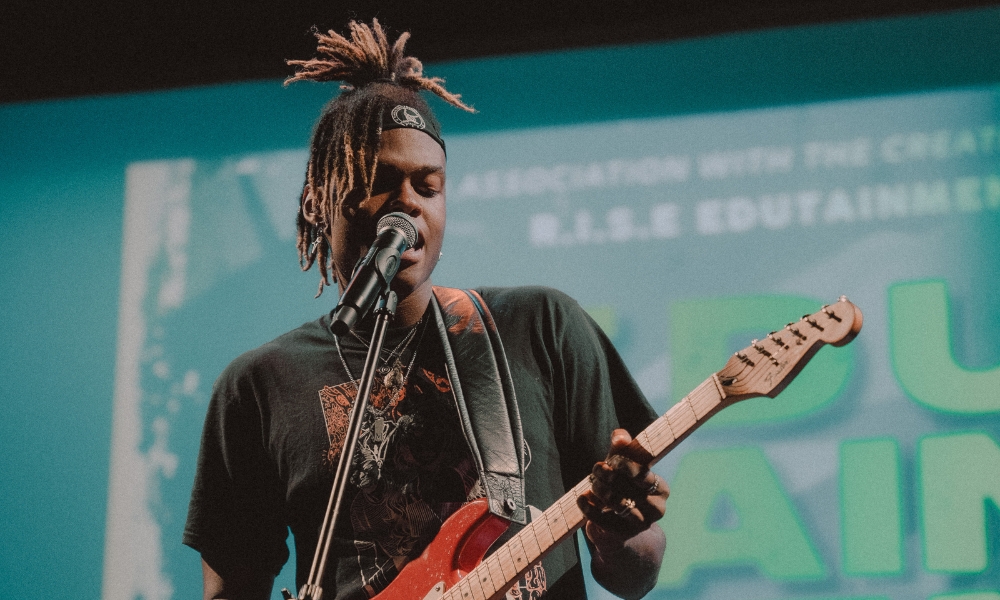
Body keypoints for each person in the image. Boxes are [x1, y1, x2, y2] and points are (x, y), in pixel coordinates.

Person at [183, 20, 668, 600]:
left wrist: (619, 532)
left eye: (427, 186)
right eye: (380, 181)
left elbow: (634, 572)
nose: (408, 203)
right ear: (318, 199)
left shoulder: (542, 327)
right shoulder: (257, 387)